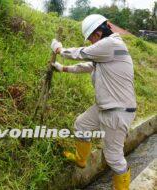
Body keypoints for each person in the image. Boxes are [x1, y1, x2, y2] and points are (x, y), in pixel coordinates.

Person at [50, 14, 136, 190]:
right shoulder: (107, 52)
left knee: (113, 157)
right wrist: (63, 68)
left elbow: (82, 54)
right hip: (106, 107)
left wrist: (60, 50)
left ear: (98, 33)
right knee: (82, 124)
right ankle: (81, 161)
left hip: (118, 110)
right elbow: (87, 65)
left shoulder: (111, 44)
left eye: (90, 38)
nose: (90, 42)